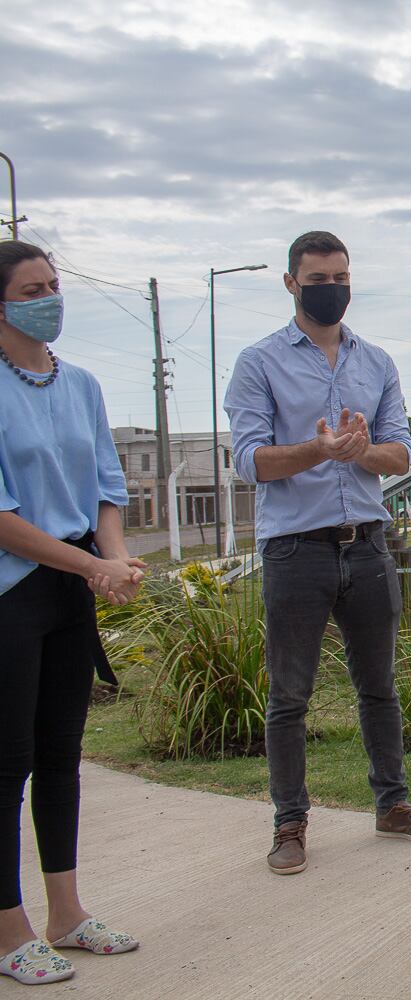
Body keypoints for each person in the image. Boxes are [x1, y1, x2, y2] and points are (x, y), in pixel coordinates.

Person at [225, 231, 411, 877]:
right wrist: (315, 451)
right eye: (318, 278)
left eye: (341, 276)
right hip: (296, 549)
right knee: (289, 695)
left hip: (370, 546)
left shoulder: (375, 362)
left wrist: (361, 452)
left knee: (379, 687)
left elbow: (399, 452)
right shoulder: (258, 362)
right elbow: (250, 461)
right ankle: (290, 824)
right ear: (292, 284)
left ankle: (394, 804)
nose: (332, 288)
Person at [0, 242, 146, 985]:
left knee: (60, 758)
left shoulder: (81, 383)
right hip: (12, 591)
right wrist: (93, 564)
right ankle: (7, 930)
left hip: (72, 585)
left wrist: (110, 559)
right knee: (7, 764)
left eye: (54, 284)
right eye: (33, 288)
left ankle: (66, 914)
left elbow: (106, 487)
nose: (50, 297)